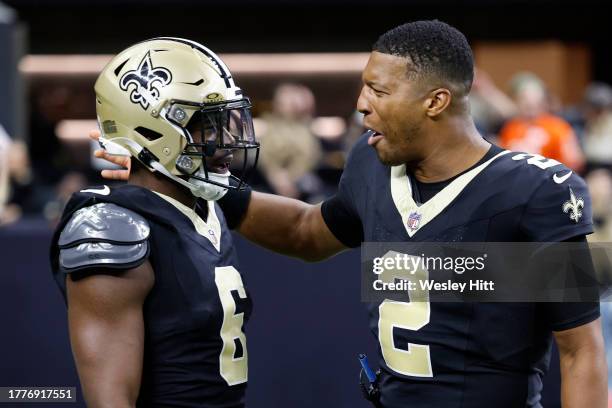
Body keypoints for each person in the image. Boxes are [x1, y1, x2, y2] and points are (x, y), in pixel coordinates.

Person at [93, 22, 607, 407]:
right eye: (365, 86)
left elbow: (581, 352)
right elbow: (306, 231)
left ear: (436, 100)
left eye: (380, 91)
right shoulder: (371, 163)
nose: (362, 104)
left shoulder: (538, 189)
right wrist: (192, 177)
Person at [51, 37, 259, 407]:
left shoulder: (202, 204)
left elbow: (306, 227)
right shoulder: (112, 229)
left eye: (226, 122)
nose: (226, 143)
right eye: (207, 127)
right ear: (152, 131)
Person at [498, 72, 585, 172]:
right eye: (524, 98)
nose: (530, 102)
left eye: (534, 97)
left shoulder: (557, 126)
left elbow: (574, 160)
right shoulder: (510, 127)